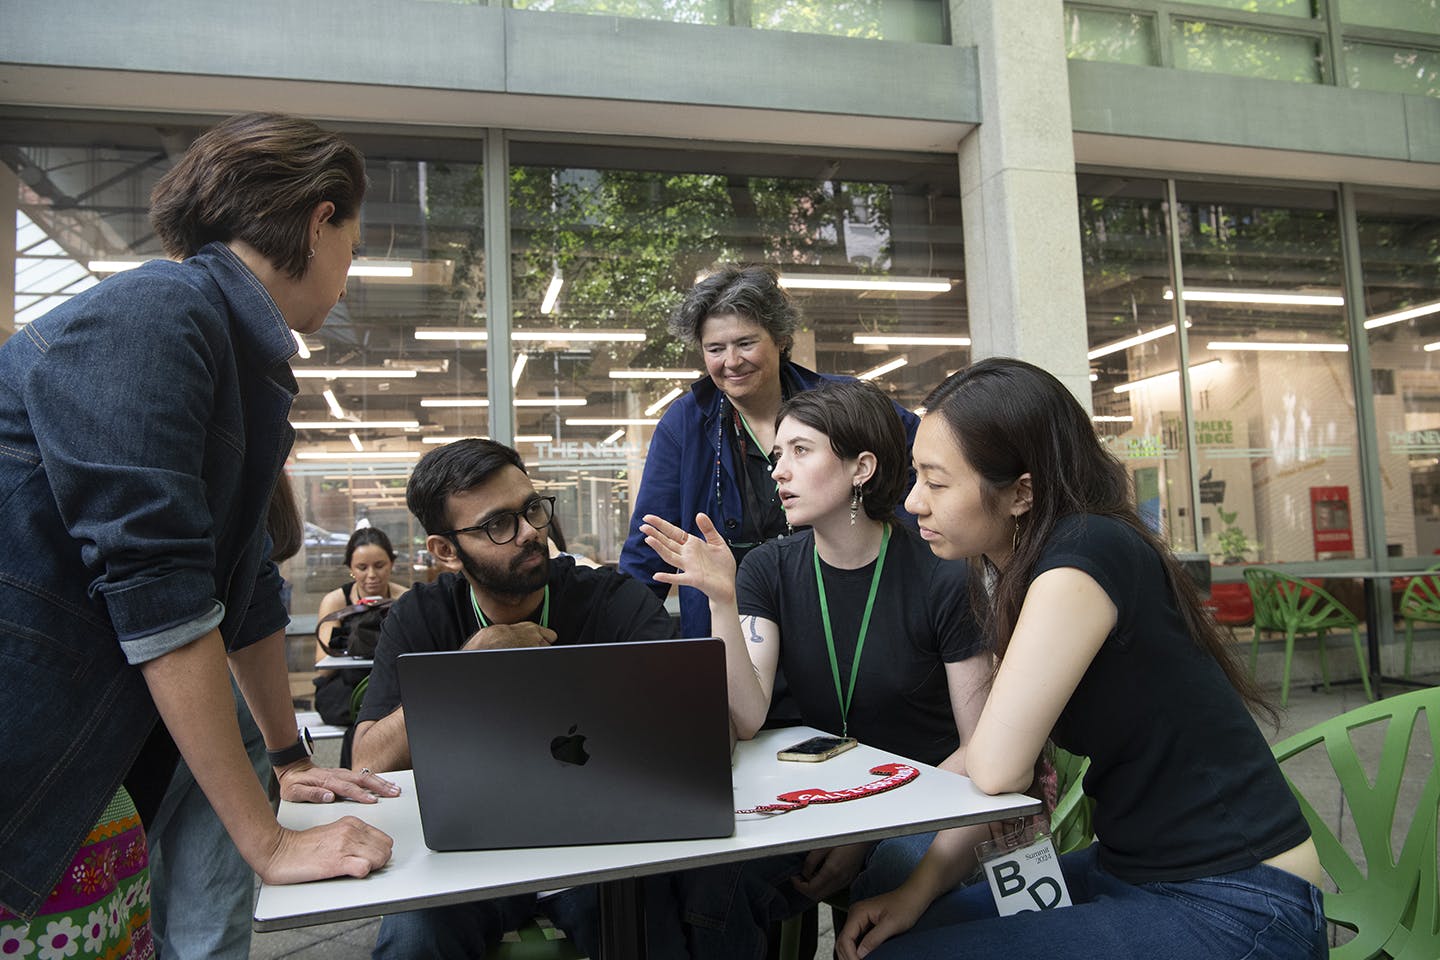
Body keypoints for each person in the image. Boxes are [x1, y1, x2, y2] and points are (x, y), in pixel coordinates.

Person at [0, 113, 397, 942]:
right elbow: (155, 586)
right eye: (352, 253)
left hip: (99, 744)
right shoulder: (158, 308)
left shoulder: (234, 353)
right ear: (320, 218)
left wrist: (291, 762)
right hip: (34, 736)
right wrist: (269, 844)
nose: (346, 279)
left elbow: (245, 586)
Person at [836, 358, 1326, 960]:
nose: (913, 502)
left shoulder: (1082, 556)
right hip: (1133, 869)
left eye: (937, 483)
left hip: (1238, 899)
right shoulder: (1026, 565)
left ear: (1022, 492)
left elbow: (995, 767)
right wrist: (914, 889)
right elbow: (989, 753)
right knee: (913, 918)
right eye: (916, 476)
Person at [639, 379, 991, 952]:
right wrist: (722, 601)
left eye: (801, 451)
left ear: (862, 467)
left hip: (928, 798)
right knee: (715, 874)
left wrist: (867, 825)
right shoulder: (768, 569)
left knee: (892, 868)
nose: (778, 470)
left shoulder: (942, 573)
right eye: (778, 454)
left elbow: (980, 747)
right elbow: (747, 715)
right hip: (825, 800)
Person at [352, 438, 677, 959]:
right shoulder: (422, 617)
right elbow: (368, 762)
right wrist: (465, 669)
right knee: (413, 942)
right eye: (498, 525)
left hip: (602, 842)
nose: (530, 533)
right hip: (465, 850)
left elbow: (698, 724)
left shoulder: (610, 600)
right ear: (445, 551)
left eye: (531, 509)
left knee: (649, 931)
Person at [619, 264, 922, 643]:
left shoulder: (844, 403)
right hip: (734, 633)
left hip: (846, 620)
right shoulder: (685, 425)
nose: (731, 361)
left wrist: (892, 548)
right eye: (715, 349)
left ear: (779, 338)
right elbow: (648, 549)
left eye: (746, 343)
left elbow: (925, 466)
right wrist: (624, 648)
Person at [145, 478, 305, 960]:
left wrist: (289, 758)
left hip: (147, 684)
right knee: (201, 922)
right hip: (190, 685)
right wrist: (288, 758)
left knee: (123, 897)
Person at [315, 525, 411, 665]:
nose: (371, 575)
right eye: (362, 568)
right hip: (347, 678)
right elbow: (324, 664)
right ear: (351, 568)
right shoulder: (335, 602)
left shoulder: (406, 599)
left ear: (391, 564)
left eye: (379, 566)